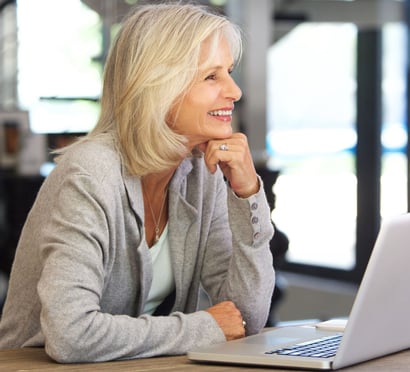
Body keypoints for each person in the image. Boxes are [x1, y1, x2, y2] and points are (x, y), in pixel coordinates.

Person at [0, 3, 275, 363]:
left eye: (229, 72)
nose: (234, 91)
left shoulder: (202, 172)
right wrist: (204, 327)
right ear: (158, 86)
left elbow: (245, 316)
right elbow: (72, 336)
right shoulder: (90, 175)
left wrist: (248, 194)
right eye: (212, 77)